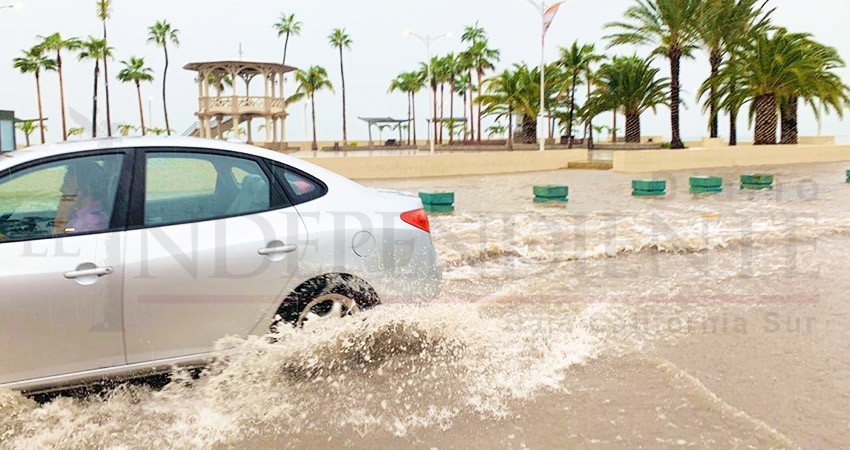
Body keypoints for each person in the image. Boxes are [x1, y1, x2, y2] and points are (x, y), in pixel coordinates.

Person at [56, 161, 109, 234]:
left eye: (67, 184)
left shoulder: (89, 225)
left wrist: (62, 213)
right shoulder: (78, 213)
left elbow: (57, 242)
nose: (61, 189)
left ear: (84, 189)